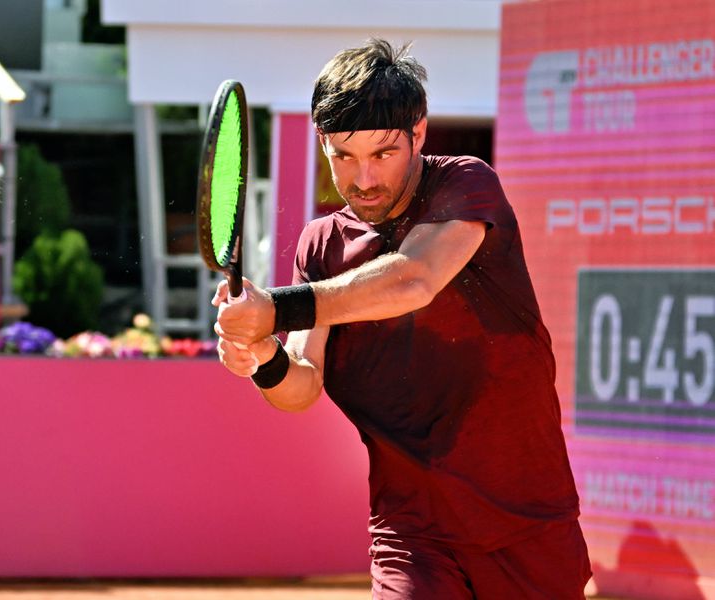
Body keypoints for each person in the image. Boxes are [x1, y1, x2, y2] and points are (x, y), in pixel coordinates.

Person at [213, 39, 591, 599]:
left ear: (419, 133)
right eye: (342, 155)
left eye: (383, 153)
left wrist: (276, 307)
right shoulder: (321, 247)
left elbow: (413, 278)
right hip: (411, 533)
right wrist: (262, 356)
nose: (362, 178)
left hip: (526, 524)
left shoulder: (465, 184)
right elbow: (299, 385)